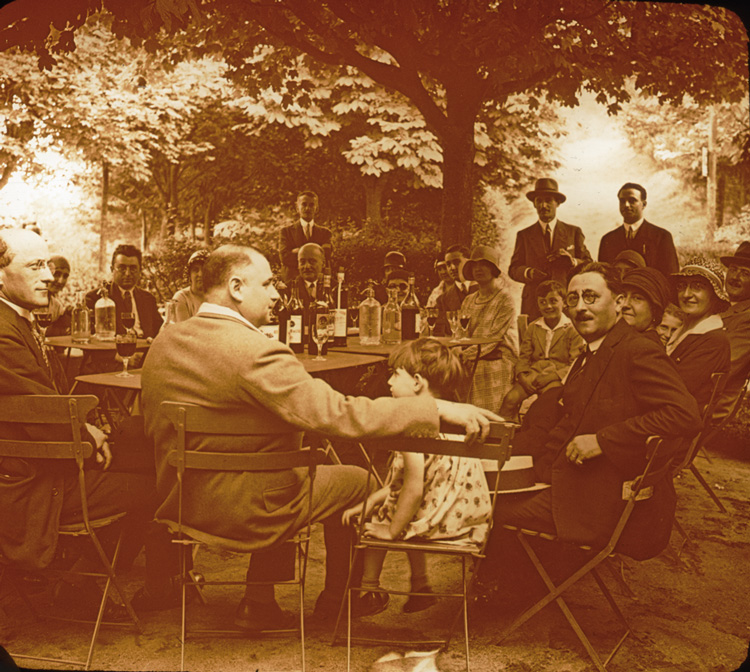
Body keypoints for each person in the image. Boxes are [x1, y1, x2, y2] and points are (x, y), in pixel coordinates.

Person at [140, 244, 500, 630]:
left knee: (281, 460)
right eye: (268, 283)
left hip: (181, 503)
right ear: (236, 287)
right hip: (250, 511)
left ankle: (260, 600)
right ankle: (340, 601)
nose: (277, 293)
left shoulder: (163, 344)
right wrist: (434, 408)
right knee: (356, 480)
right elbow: (340, 415)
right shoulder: (258, 352)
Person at [476, 261, 701, 607]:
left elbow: (685, 415)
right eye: (573, 299)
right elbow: (569, 422)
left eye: (591, 297)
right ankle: (515, 585)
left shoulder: (636, 349)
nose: (580, 307)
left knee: (492, 506)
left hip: (602, 499)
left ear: (618, 302)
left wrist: (603, 440)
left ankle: (507, 593)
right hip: (580, 481)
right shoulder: (596, 350)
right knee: (489, 484)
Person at [0, 228, 176, 619]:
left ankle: (89, 579)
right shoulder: (2, 332)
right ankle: (89, 581)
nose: (48, 275)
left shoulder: (19, 319)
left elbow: (49, 399)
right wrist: (88, 436)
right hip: (31, 485)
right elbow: (42, 414)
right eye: (34, 266)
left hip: (45, 462)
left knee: (158, 448)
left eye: (47, 264)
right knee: (159, 485)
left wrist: (93, 429)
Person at [342, 339, 492, 615]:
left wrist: (391, 531)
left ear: (417, 382)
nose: (388, 381)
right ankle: (421, 586)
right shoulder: (459, 421)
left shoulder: (413, 426)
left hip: (432, 523)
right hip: (464, 523)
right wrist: (374, 497)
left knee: (379, 521)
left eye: (395, 374)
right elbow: (416, 485)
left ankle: (370, 589)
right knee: (398, 509)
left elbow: (412, 490)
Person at [499, 280, 584, 421]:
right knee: (510, 399)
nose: (548, 306)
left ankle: (539, 435)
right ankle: (505, 436)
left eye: (553, 301)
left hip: (557, 376)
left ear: (564, 303)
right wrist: (522, 376)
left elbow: (574, 363)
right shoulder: (533, 327)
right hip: (534, 374)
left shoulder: (572, 329)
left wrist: (551, 377)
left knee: (544, 404)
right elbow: (524, 357)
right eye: (542, 302)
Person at [508, 178, 592, 320]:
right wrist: (529, 273)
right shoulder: (524, 235)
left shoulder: (573, 232)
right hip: (534, 303)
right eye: (539, 201)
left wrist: (572, 261)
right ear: (534, 204)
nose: (544, 205)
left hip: (565, 302)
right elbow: (513, 269)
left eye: (548, 200)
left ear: (557, 203)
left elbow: (589, 263)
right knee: (534, 340)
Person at [459, 245, 518, 413]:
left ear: (493, 269)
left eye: (483, 264)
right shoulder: (469, 300)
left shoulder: (505, 299)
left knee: (482, 369)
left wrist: (466, 355)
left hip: (499, 356)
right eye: (474, 265)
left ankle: (489, 425)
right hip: (473, 355)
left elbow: (493, 338)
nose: (478, 269)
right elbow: (461, 333)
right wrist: (458, 352)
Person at [667, 257, 731, 411]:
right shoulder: (682, 329)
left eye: (697, 287)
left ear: (714, 295)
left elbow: (674, 391)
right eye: (682, 286)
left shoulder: (713, 340)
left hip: (677, 423)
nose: (686, 294)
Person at [598, 182, 679, 277]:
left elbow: (670, 277)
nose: (626, 205)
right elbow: (603, 278)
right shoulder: (608, 240)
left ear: (644, 204)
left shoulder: (661, 237)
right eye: (622, 201)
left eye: (632, 200)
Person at [85, 244, 162, 338]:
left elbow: (161, 332)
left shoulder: (148, 299)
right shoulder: (96, 298)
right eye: (122, 268)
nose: (127, 274)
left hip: (146, 350)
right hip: (114, 350)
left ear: (140, 271)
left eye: (133, 269)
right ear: (112, 269)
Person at [714, 242, 750, 418]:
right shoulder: (720, 307)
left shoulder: (747, 320)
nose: (735, 277)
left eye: (745, 273)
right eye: (734, 269)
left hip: (709, 407)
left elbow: (720, 367)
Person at [278, 191, 332, 282]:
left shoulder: (325, 233)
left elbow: (325, 256)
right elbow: (285, 258)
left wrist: (297, 251)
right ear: (297, 208)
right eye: (304, 204)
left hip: (317, 283)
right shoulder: (286, 232)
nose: (307, 208)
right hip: (292, 282)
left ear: (317, 208)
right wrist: (314, 255)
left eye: (311, 205)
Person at [620, 266, 673, 339]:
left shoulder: (648, 348)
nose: (625, 304)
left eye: (637, 298)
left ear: (655, 310)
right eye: (623, 296)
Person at [434, 245, 475, 336]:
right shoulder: (442, 300)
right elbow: (440, 333)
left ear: (469, 262)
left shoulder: (483, 290)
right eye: (448, 264)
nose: (452, 268)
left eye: (456, 262)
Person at [285, 242, 326, 308]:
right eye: (302, 262)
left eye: (312, 261)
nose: (307, 266)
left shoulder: (335, 289)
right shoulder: (287, 290)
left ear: (323, 263)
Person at [172, 249, 209, 322]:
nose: (200, 274)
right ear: (189, 275)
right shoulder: (182, 298)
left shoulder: (216, 297)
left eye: (204, 269)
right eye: (195, 270)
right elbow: (184, 329)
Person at [46, 254, 72, 337]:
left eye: (65, 276)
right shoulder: (28, 302)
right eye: (56, 274)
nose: (60, 281)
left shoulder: (57, 306)